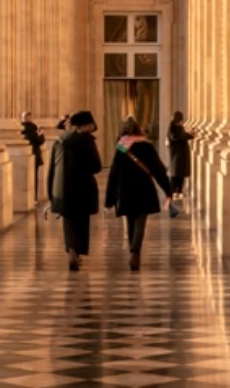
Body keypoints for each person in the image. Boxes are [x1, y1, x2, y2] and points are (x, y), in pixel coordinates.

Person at [104, 118, 173, 271]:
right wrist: (168, 190)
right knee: (140, 222)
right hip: (144, 189)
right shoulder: (147, 146)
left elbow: (113, 174)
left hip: (126, 190)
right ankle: (135, 252)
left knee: (130, 221)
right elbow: (158, 170)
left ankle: (132, 252)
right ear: (138, 130)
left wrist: (109, 199)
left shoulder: (121, 148)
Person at [48, 110, 102, 272]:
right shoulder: (87, 142)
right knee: (82, 220)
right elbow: (96, 166)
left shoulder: (60, 141)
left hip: (63, 187)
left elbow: (52, 169)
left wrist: (52, 192)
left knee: (69, 221)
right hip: (83, 186)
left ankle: (71, 248)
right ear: (85, 125)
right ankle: (78, 251)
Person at [168, 110, 195, 196]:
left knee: (181, 174)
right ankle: (173, 191)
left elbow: (183, 135)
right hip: (176, 155)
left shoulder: (180, 127)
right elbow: (176, 137)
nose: (181, 122)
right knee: (175, 174)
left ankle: (179, 190)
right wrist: (188, 135)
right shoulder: (171, 128)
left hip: (182, 155)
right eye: (180, 120)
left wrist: (190, 135)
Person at [20, 111, 45, 203]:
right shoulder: (32, 127)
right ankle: (34, 198)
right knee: (34, 178)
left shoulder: (21, 127)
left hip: (27, 154)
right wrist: (41, 133)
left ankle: (33, 198)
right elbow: (40, 141)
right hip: (34, 154)